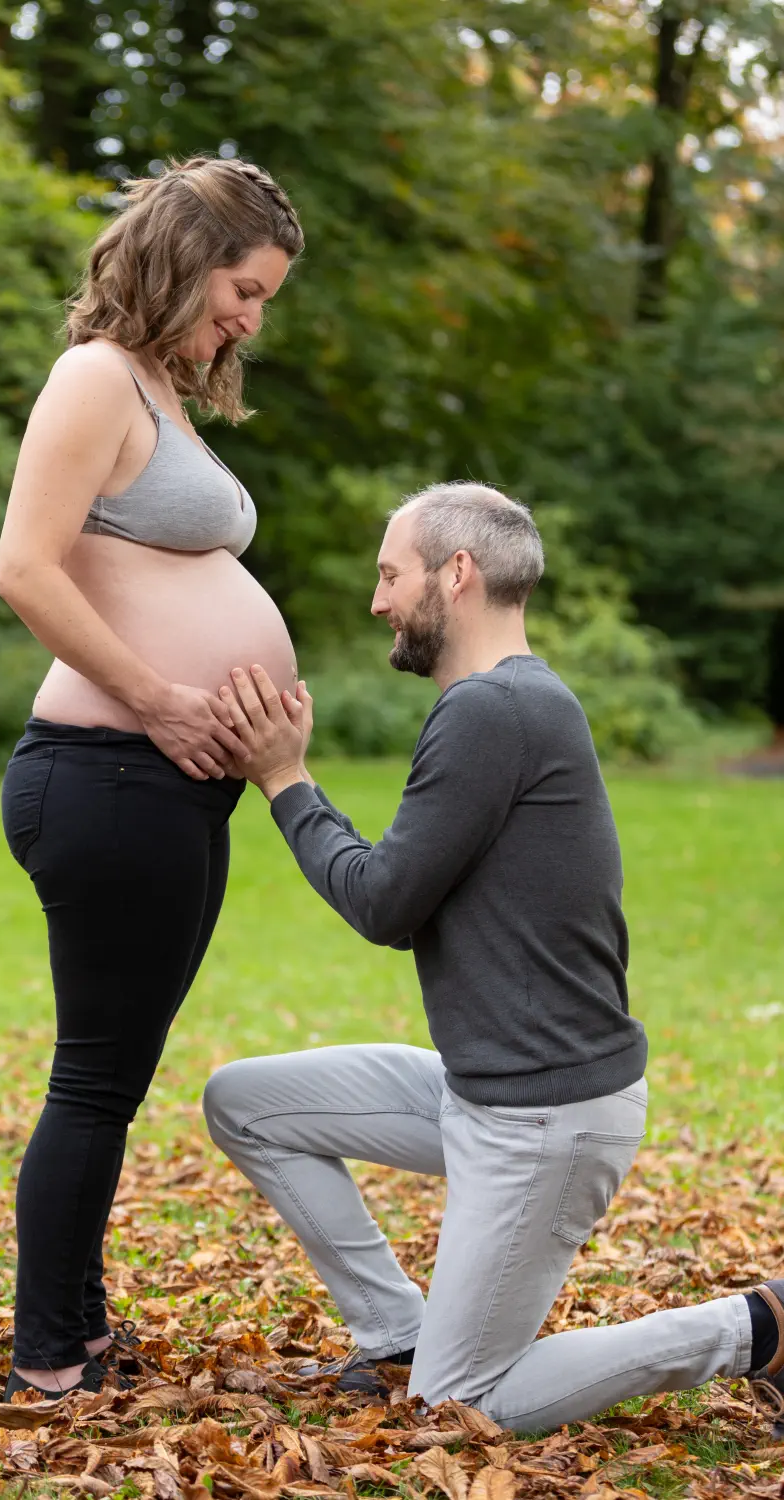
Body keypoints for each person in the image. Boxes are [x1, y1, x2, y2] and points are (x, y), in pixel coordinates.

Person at [203, 482, 784, 1438]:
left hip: (546, 1118)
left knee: (459, 1407)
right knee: (244, 1102)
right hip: (482, 1091)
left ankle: (757, 1327)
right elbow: (406, 893)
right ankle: (397, 1334)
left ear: (456, 574)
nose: (378, 600)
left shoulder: (493, 710)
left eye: (391, 574)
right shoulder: (512, 702)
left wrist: (283, 778)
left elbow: (383, 904)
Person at [0, 156, 303, 1398]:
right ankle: (48, 1357)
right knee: (92, 1081)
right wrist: (163, 699)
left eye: (265, 297)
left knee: (110, 1081)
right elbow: (25, 568)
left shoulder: (157, 391)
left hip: (165, 786)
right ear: (184, 259)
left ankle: (79, 1329)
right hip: (110, 771)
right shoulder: (94, 378)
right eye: (244, 287)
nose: (251, 318)